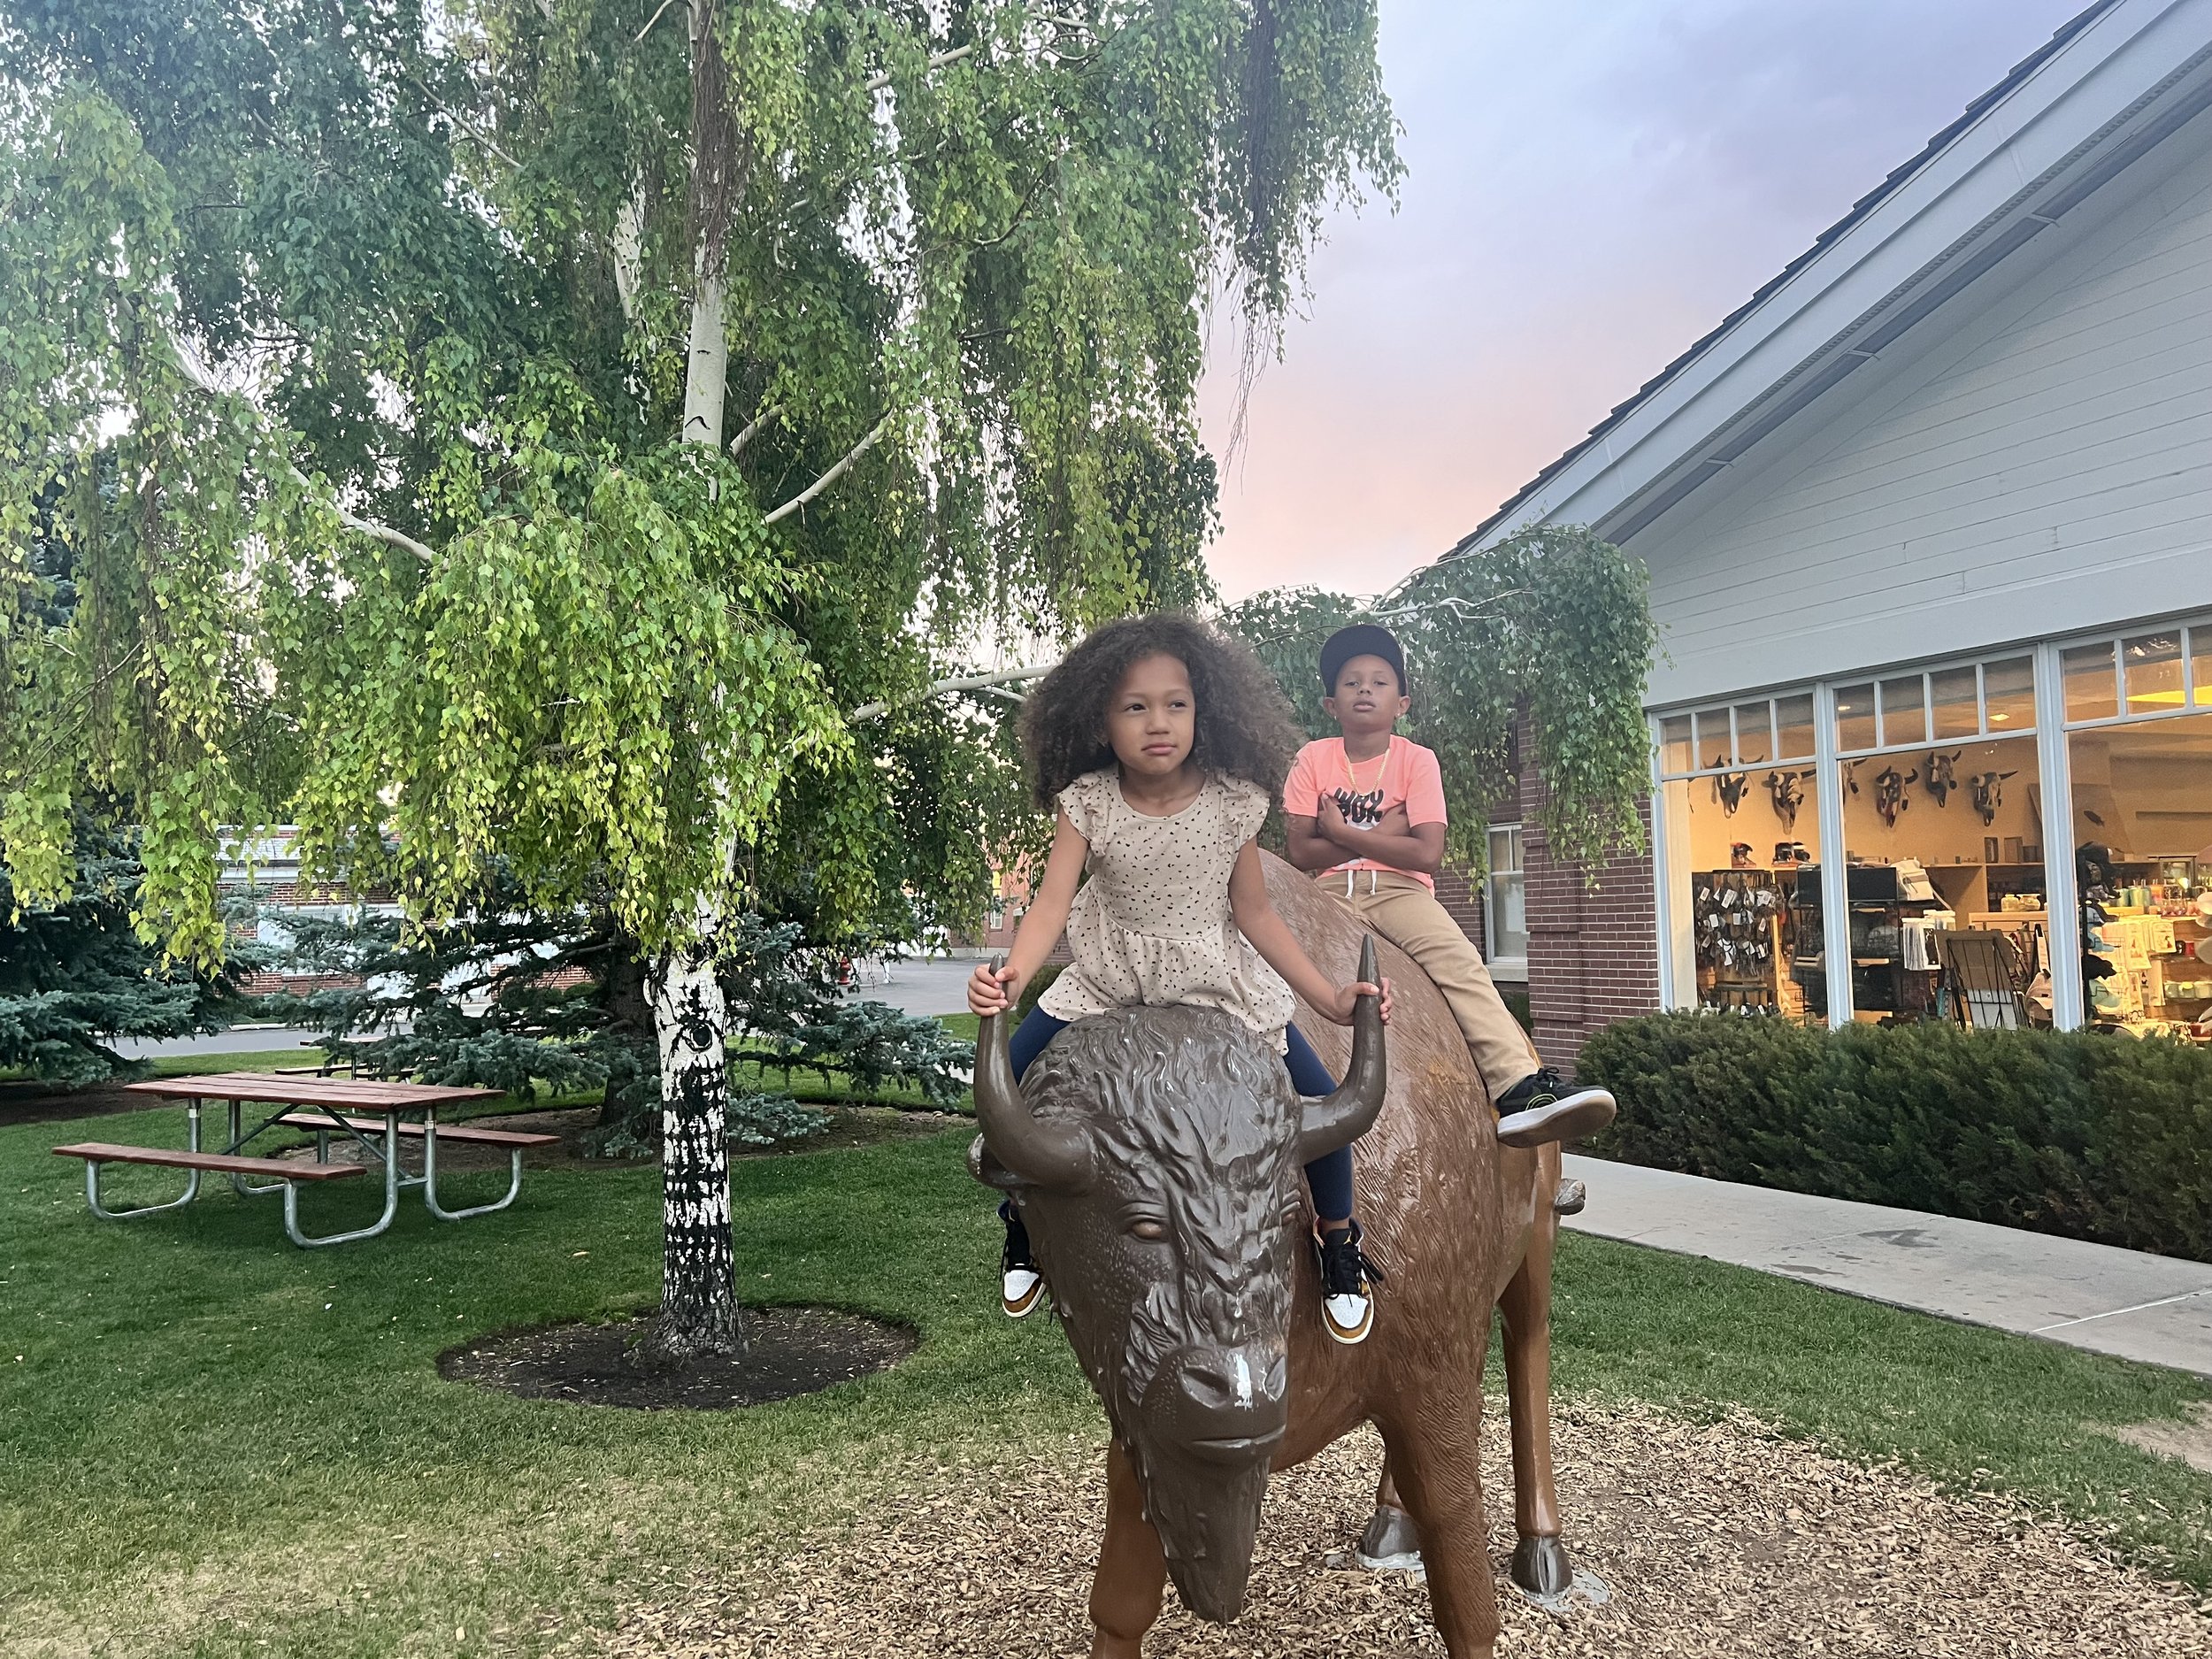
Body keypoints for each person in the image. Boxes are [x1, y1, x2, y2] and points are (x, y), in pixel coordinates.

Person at [969, 614, 1394, 1345]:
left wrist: (1327, 996)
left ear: (1206, 710)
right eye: (1134, 706)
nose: (1157, 722)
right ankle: (1023, 1222)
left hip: (1214, 978)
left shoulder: (1232, 801)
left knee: (1323, 1097)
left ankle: (1338, 1236)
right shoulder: (1089, 801)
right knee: (1005, 1085)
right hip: (1108, 977)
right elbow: (1051, 903)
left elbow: (1254, 913)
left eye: (1176, 704)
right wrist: (1012, 974)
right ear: (1100, 716)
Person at [1283, 624, 1617, 1150]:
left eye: (1379, 681)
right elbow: (1300, 852)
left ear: (1403, 702)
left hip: (1399, 891)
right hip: (1326, 895)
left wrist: (1342, 831)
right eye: (1350, 682)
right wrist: (1383, 832)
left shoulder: (1417, 761)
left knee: (1461, 965)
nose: (1364, 689)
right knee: (1269, 963)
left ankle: (1517, 1088)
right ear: (1330, 703)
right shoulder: (1313, 759)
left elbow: (1426, 852)